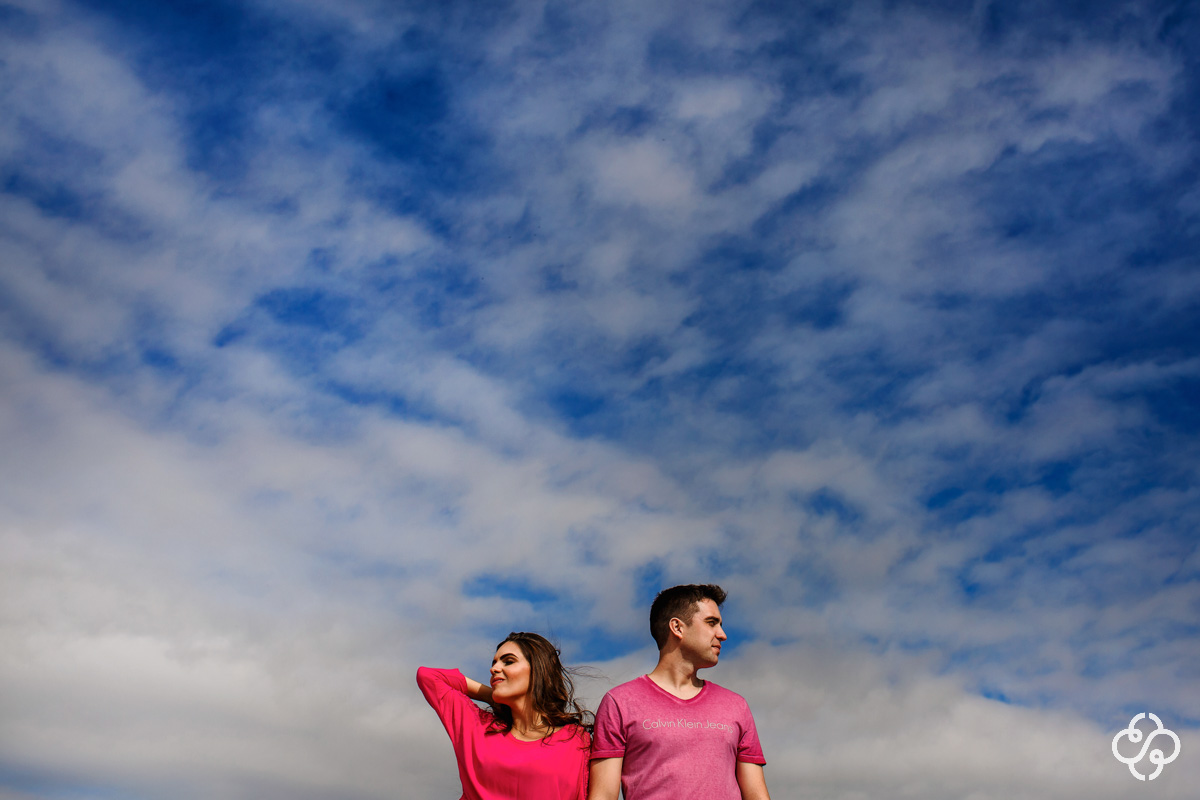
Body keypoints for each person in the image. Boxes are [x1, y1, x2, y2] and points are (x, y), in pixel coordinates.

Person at [587, 584, 771, 800]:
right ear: (677, 627)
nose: (722, 635)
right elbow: (603, 795)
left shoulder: (736, 705)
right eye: (712, 623)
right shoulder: (619, 702)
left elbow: (756, 794)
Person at [417, 632, 593, 800]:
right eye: (494, 663)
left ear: (539, 670)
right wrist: (494, 697)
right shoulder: (478, 728)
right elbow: (429, 677)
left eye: (508, 661)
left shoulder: (577, 740)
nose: (494, 668)